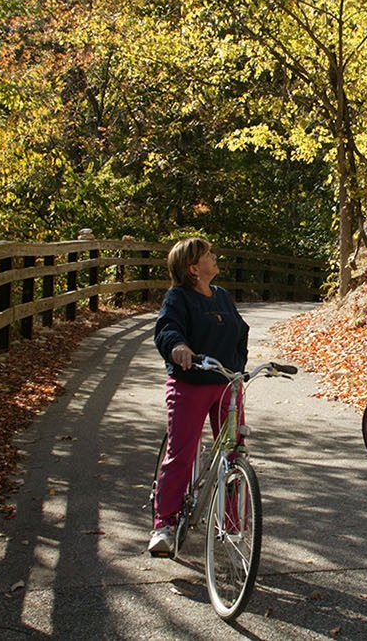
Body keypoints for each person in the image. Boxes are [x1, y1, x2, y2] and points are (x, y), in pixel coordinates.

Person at [148, 237, 250, 557]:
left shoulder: (222, 297)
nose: (214, 257)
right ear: (194, 269)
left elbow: (240, 333)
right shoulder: (178, 298)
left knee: (235, 453)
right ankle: (164, 524)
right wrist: (178, 346)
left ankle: (233, 525)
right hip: (190, 384)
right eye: (208, 255)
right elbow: (167, 328)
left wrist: (239, 369)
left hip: (227, 386)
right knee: (183, 454)